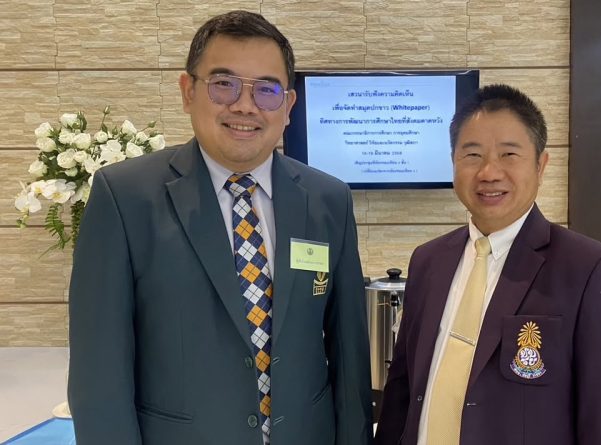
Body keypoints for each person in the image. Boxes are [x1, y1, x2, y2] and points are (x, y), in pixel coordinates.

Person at [68, 11, 373, 445]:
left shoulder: (329, 199)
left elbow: (349, 356)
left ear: (288, 106)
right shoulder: (124, 198)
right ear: (188, 91)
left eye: (266, 89)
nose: (245, 106)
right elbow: (99, 372)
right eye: (224, 84)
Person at [374, 84, 601, 444]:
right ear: (453, 161)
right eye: (472, 155)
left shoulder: (590, 270)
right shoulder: (428, 260)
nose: (489, 172)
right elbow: (403, 390)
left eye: (509, 154)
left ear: (540, 165)